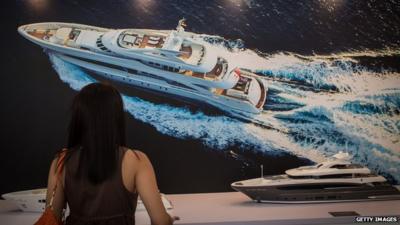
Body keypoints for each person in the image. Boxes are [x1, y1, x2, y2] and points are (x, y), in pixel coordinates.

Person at [45, 82, 177, 225]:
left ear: (79, 116)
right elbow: (160, 221)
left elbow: (53, 218)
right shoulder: (136, 160)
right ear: (116, 116)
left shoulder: (61, 162)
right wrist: (169, 218)